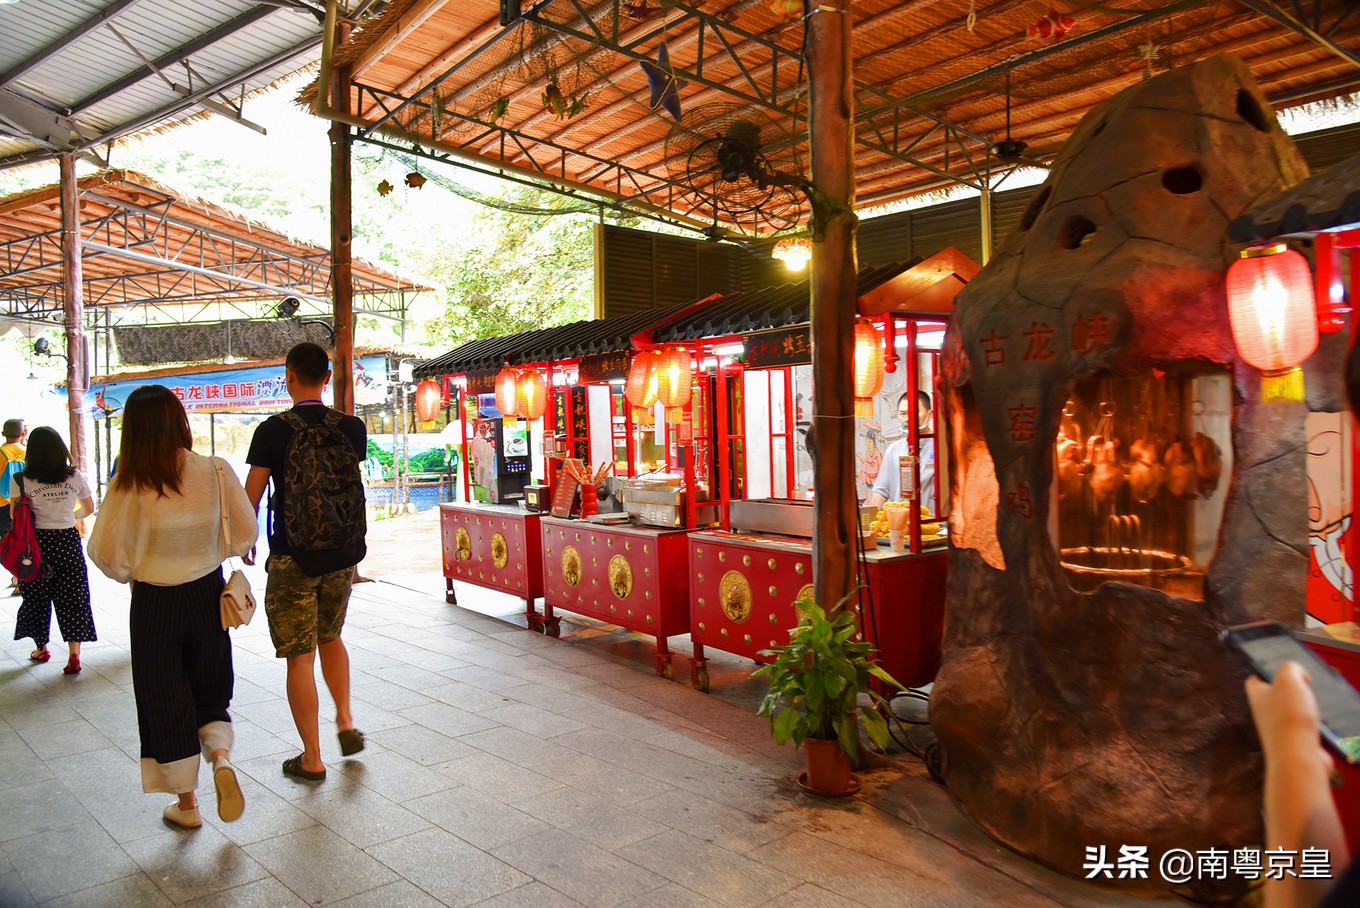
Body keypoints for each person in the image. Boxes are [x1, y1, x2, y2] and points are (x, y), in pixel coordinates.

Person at [88, 385, 256, 829]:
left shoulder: (129, 485)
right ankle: (220, 759)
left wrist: (135, 569)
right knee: (209, 687)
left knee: (166, 699)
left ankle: (188, 805)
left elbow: (105, 554)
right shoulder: (216, 471)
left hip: (154, 604)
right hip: (207, 596)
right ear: (180, 421)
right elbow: (245, 533)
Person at [244, 342, 367, 783]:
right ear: (327, 378)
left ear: (289, 375)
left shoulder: (273, 430)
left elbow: (251, 499)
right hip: (341, 554)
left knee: (300, 656)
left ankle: (312, 757)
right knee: (331, 636)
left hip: (294, 557)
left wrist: (245, 542)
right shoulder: (351, 427)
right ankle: (346, 719)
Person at [8, 427, 95, 672]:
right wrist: (68, 515)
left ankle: (42, 648)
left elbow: (16, 515)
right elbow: (88, 509)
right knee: (73, 596)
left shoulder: (21, 479)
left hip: (35, 544)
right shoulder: (74, 476)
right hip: (67, 541)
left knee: (36, 596)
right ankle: (74, 655)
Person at [866, 391, 936, 513]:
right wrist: (871, 525)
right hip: (900, 527)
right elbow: (881, 491)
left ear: (930, 415)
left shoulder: (940, 448)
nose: (908, 418)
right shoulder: (893, 450)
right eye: (903, 414)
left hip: (933, 526)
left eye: (914, 412)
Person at [0, 418, 28, 595]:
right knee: (20, 539)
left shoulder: (1, 453)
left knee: (6, 540)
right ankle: (19, 577)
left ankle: (16, 576)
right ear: (23, 434)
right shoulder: (27, 453)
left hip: (2, 503)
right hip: (21, 503)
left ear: (3, 434)